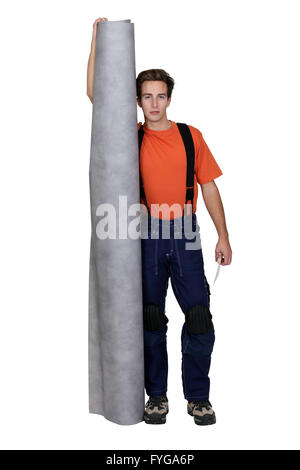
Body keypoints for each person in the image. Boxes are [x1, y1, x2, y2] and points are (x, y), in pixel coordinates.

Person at [87, 17, 232, 426]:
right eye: (146, 97)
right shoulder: (128, 136)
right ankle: (157, 397)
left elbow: (210, 188)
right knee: (150, 319)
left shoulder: (191, 136)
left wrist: (223, 236)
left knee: (199, 317)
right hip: (147, 235)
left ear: (169, 99)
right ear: (137, 101)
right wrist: (96, 41)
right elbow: (96, 95)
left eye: (160, 96)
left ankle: (198, 398)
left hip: (185, 233)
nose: (154, 103)